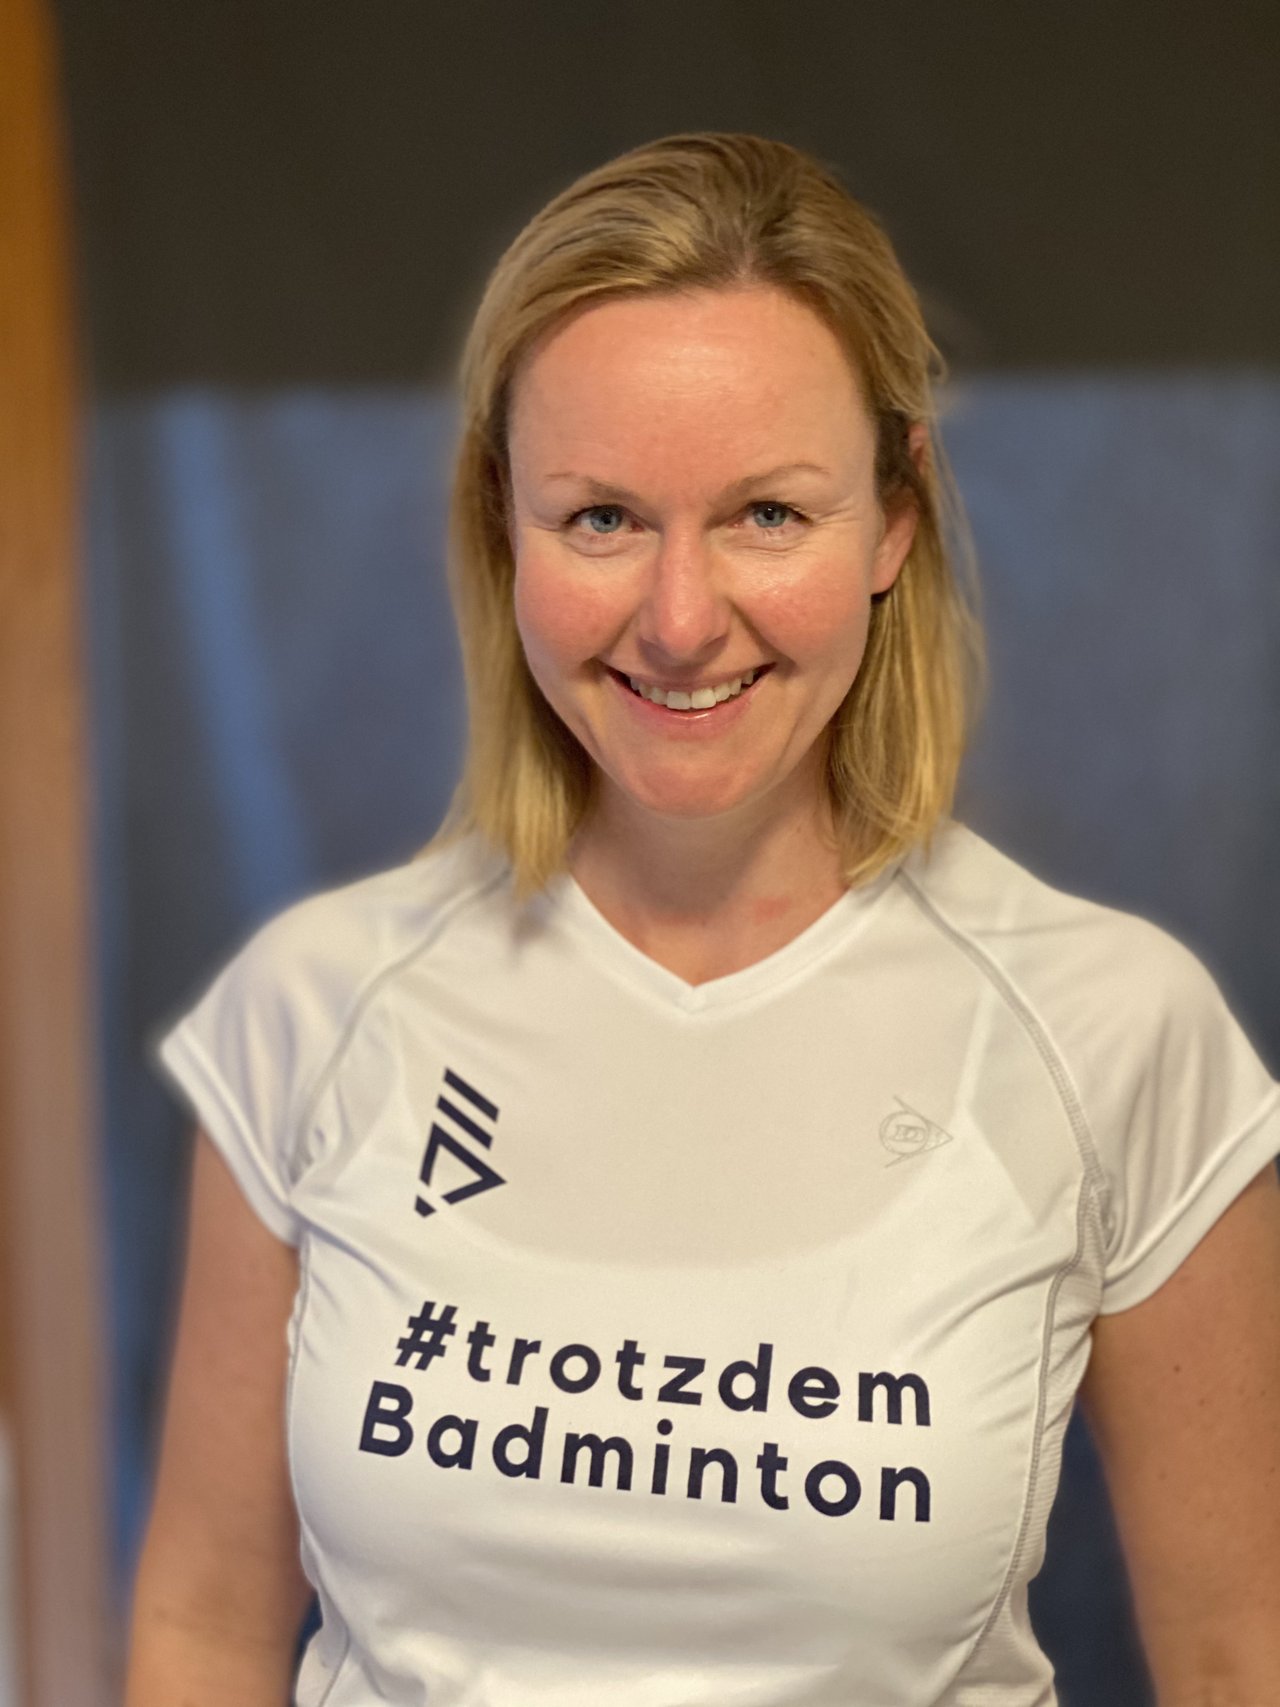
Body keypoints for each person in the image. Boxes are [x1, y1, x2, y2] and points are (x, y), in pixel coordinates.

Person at [126, 131, 1280, 1706]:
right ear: (503, 522)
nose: (680, 619)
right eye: (602, 517)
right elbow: (201, 1627)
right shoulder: (312, 1008)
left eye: (767, 515)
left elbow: (1237, 1653)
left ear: (893, 519)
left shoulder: (1115, 1032)